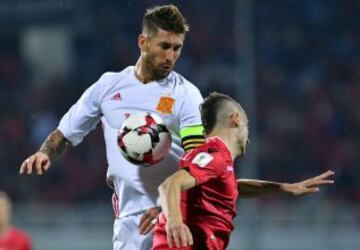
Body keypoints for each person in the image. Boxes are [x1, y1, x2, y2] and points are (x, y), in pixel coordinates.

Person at [19, 4, 205, 250]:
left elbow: (199, 162)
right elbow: (64, 133)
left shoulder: (187, 94)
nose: (171, 56)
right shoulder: (109, 86)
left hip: (174, 219)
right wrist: (45, 152)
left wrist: (170, 206)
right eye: (164, 46)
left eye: (177, 48)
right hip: (128, 223)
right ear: (143, 42)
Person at [153, 92, 334, 249]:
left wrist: (287, 188)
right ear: (236, 119)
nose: (248, 135)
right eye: (247, 125)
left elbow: (232, 187)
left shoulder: (215, 160)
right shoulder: (215, 156)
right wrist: (175, 221)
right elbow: (170, 185)